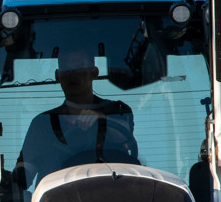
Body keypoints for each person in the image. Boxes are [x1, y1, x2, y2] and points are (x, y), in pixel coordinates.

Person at [18, 47, 139, 184]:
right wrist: (9, 178)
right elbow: (24, 175)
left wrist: (100, 122)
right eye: (67, 71)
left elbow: (124, 136)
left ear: (94, 72)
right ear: (58, 76)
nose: (73, 75)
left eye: (80, 69)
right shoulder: (41, 124)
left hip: (112, 196)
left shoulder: (118, 110)